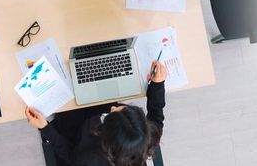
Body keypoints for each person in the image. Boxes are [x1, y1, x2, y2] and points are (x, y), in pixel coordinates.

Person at [26, 61, 167, 166]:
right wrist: (157, 84)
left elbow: (69, 154)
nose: (113, 108)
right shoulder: (148, 135)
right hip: (98, 119)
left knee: (64, 89)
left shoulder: (91, 157)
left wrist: (45, 127)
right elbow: (156, 116)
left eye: (113, 113)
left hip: (79, 133)